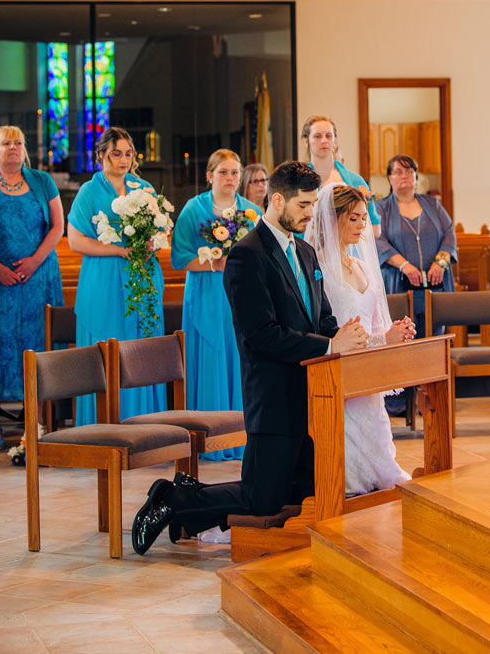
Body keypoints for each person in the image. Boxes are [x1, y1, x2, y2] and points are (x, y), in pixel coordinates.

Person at [131, 161, 369, 555]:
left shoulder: (306, 252)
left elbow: (322, 318)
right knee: (262, 500)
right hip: (273, 396)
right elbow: (262, 336)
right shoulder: (247, 255)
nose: (312, 214)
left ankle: (188, 503)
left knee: (301, 494)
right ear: (278, 200)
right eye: (305, 205)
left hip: (313, 397)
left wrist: (345, 337)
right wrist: (329, 346)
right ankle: (173, 500)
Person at [306, 183, 415, 494]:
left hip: (367, 380)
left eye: (363, 219)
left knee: (384, 474)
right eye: (353, 218)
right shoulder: (319, 269)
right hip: (339, 375)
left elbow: (375, 327)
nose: (360, 226)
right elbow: (326, 329)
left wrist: (393, 334)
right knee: (352, 480)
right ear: (333, 218)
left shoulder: (362, 266)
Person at [67, 127, 167, 425]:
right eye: (116, 154)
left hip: (142, 275)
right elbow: (75, 241)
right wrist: (119, 250)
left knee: (141, 346)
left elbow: (161, 228)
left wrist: (153, 240)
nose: (123, 160)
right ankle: (104, 425)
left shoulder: (143, 187)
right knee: (107, 344)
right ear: (101, 155)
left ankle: (146, 427)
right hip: (104, 277)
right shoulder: (90, 191)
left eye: (128, 154)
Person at [170, 149, 261, 460]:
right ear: (209, 175)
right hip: (207, 292)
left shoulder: (250, 212)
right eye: (223, 172)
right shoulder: (194, 210)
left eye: (235, 173)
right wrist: (214, 262)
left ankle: (241, 435)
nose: (230, 179)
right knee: (210, 356)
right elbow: (179, 256)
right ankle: (208, 440)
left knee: (240, 357)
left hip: (242, 295)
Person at [0, 126, 64, 448]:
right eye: (6, 143)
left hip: (37, 279)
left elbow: (57, 226)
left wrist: (35, 260)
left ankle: (34, 427)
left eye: (17, 143)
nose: (12, 148)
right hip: (0, 282)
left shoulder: (40, 180)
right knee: (0, 348)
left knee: (35, 348)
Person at [376, 154, 457, 338]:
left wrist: (440, 263)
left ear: (415, 175)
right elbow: (378, 241)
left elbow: (449, 234)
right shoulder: (381, 208)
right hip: (400, 285)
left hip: (434, 286)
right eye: (398, 172)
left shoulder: (432, 203)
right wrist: (405, 266)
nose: (404, 175)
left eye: (409, 171)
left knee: (435, 338)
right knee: (404, 338)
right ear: (390, 178)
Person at [301, 114, 381, 235]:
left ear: (335, 140)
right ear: (307, 142)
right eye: (317, 136)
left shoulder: (356, 181)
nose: (324, 140)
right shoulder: (298, 181)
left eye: (328, 136)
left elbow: (375, 228)